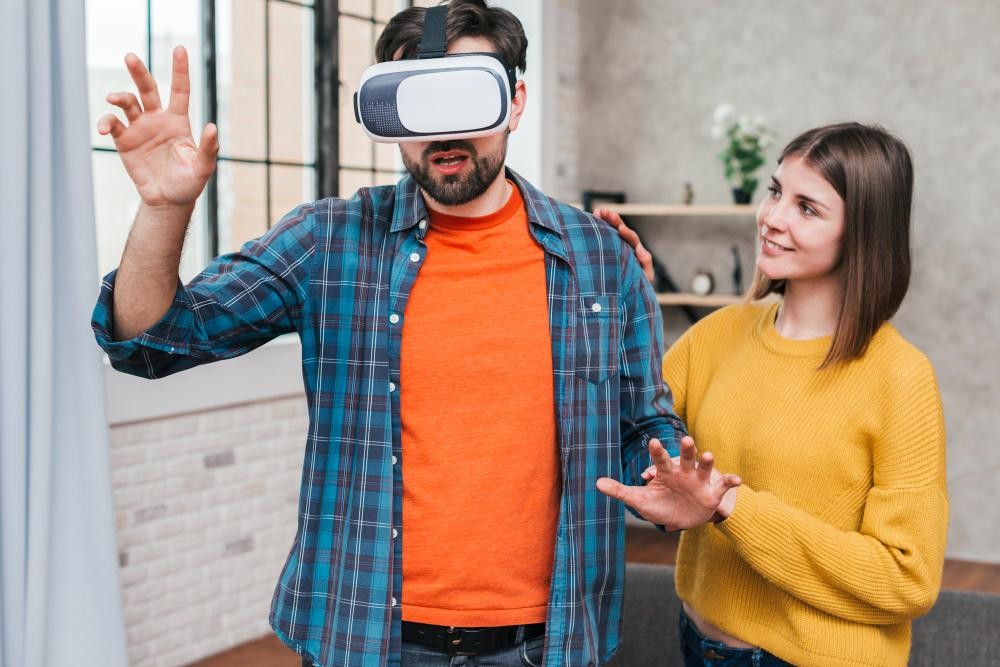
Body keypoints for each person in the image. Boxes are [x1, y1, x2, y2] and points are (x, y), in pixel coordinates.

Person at [90, 1, 686, 665]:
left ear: (515, 102)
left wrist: (671, 483)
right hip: (367, 636)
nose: (445, 130)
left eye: (466, 97)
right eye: (416, 104)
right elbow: (152, 340)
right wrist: (163, 210)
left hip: (545, 641)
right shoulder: (327, 241)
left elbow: (642, 426)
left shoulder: (601, 257)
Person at [596, 123, 948, 667]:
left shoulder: (900, 376)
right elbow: (625, 422)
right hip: (698, 643)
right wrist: (631, 307)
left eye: (808, 208)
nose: (773, 218)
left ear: (863, 233)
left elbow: (908, 577)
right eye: (776, 191)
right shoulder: (719, 334)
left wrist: (732, 506)